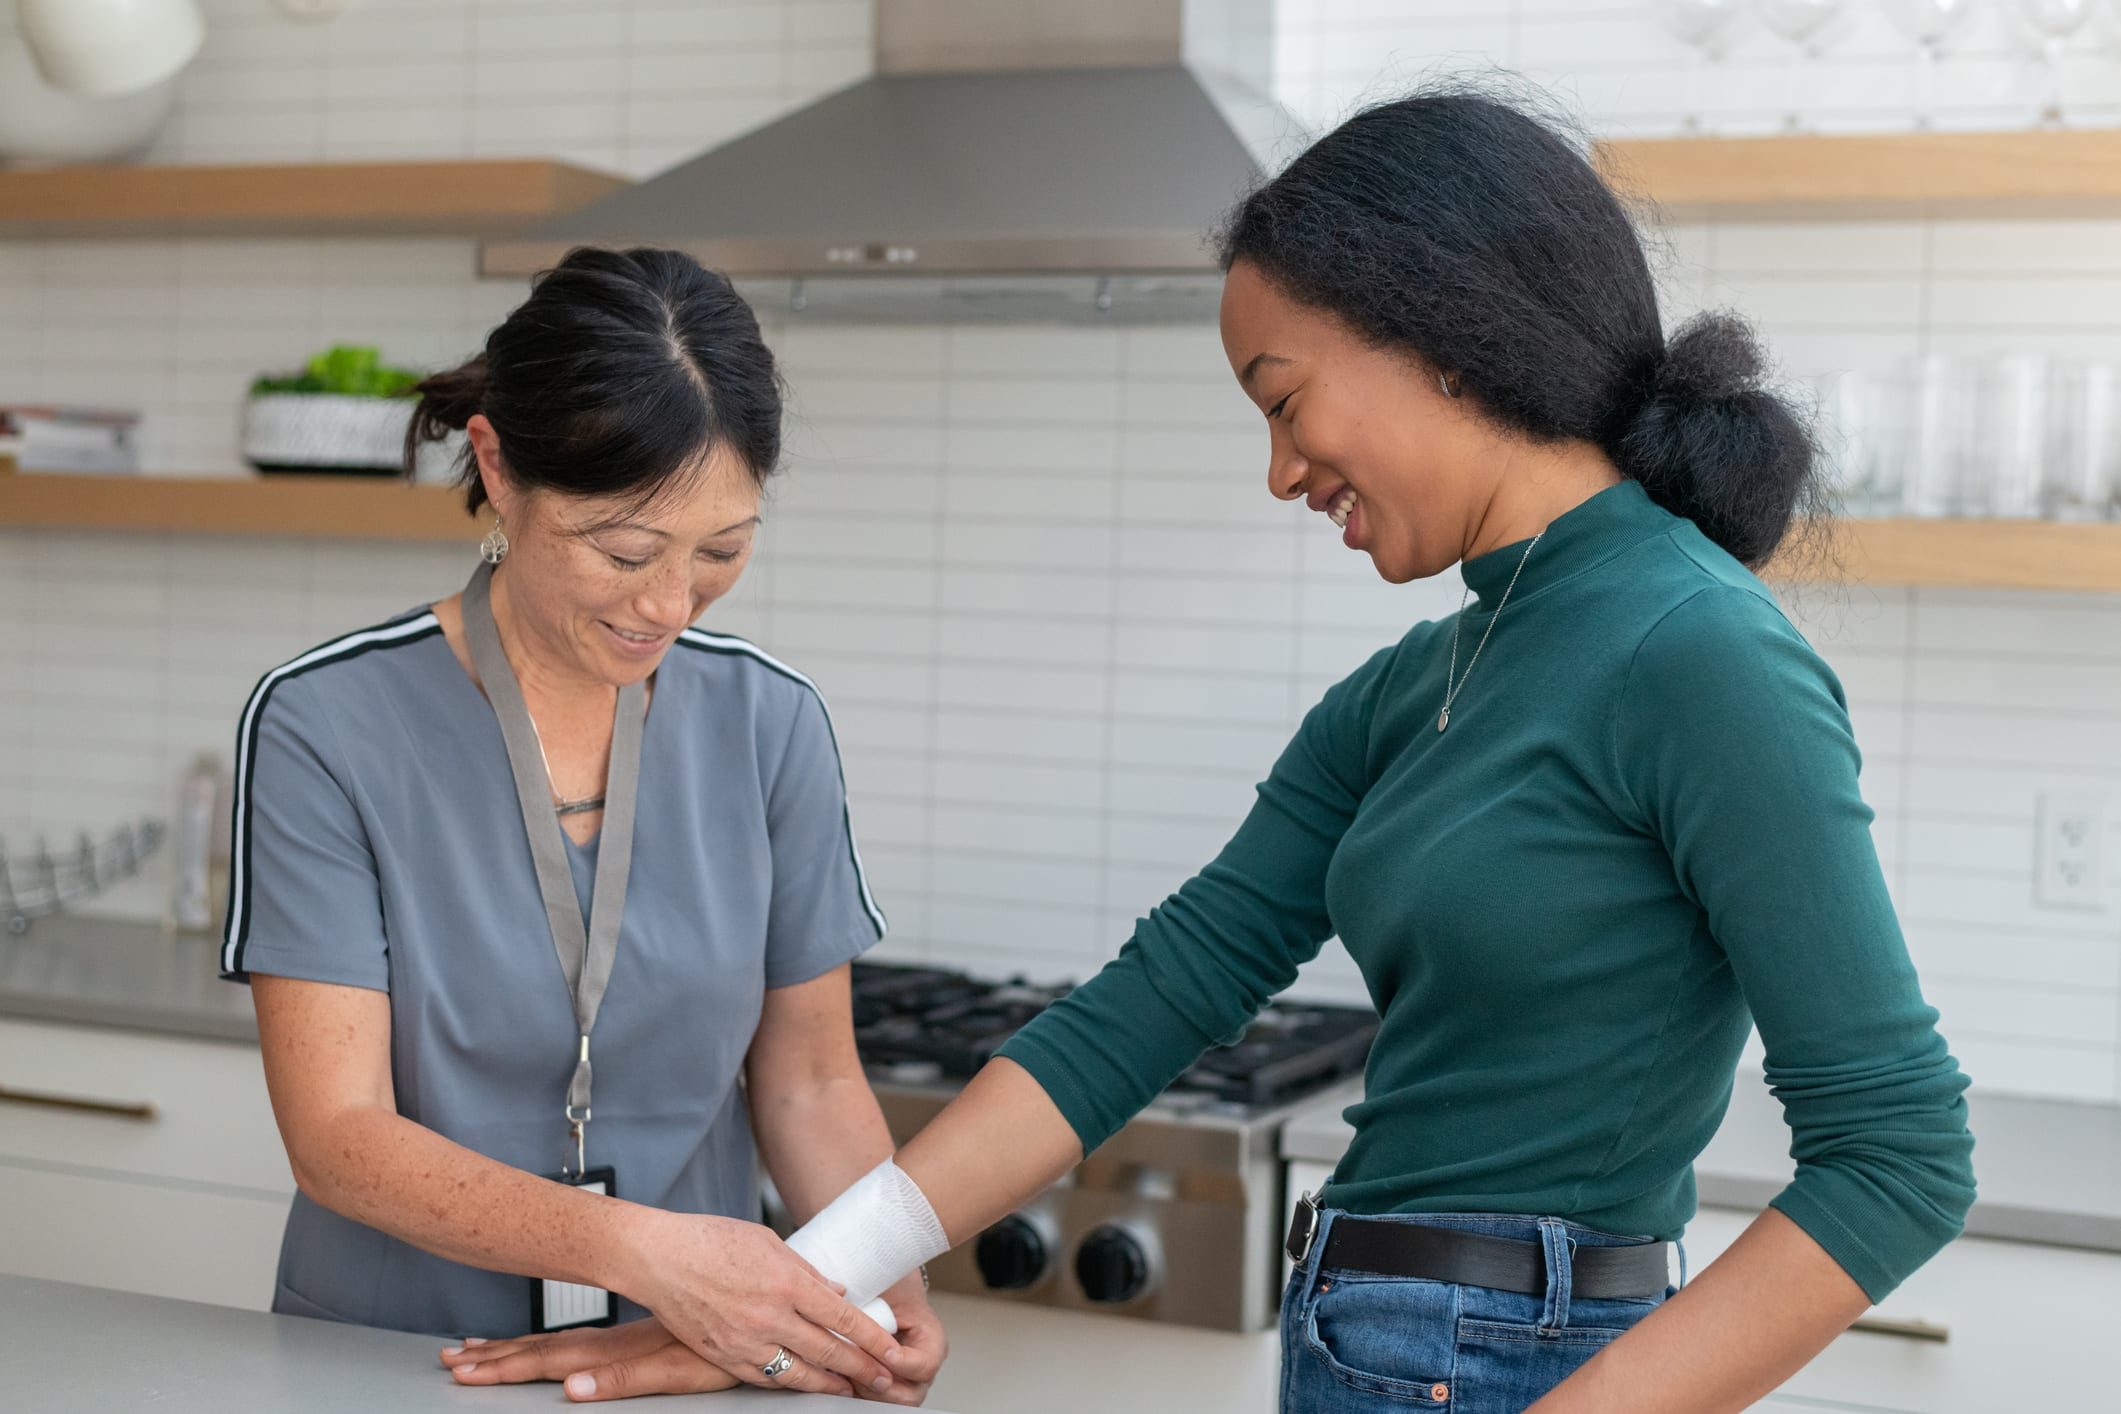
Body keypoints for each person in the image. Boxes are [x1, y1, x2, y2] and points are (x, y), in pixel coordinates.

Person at [444, 90, 1976, 1414]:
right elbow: (1149, 1006)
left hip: (1526, 1360)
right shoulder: (1419, 683)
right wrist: (799, 1289)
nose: (1278, 470)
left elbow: (1899, 1157)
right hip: (1371, 1336)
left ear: (1445, 336)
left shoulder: (1695, 650)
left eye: (1285, 399)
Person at [224, 246, 945, 1405]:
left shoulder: (773, 724)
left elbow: (809, 1081)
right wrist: (648, 1252)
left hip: (695, 1365)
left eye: (721, 549)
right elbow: (337, 1131)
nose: (667, 604)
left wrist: (882, 1279)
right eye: (624, 550)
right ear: (499, 467)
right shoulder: (325, 723)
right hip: (391, 1361)